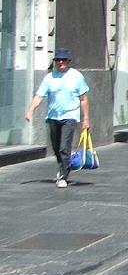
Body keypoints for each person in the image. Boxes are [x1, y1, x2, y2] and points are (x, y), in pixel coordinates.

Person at [24, 48, 90, 189]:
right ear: (55, 62)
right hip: (53, 117)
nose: (61, 62)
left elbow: (83, 99)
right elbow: (39, 96)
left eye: (63, 60)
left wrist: (86, 119)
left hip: (70, 117)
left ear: (68, 61)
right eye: (58, 60)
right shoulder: (50, 78)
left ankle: (63, 176)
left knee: (64, 147)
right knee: (56, 148)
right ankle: (64, 167)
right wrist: (30, 110)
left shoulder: (76, 76)